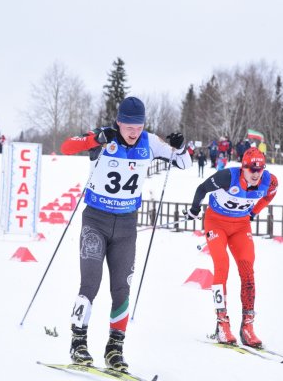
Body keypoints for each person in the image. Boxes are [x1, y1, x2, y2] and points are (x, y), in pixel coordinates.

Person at [60, 96, 192, 372]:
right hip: (95, 221)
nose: (134, 131)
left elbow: (184, 164)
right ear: (118, 121)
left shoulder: (150, 142)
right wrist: (94, 139)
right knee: (90, 284)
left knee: (121, 290)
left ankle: (114, 349)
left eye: (139, 126)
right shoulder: (104, 137)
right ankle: (78, 343)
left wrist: (181, 147)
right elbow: (66, 147)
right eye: (128, 125)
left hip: (126, 227)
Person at [184, 147, 278, 348]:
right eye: (251, 169)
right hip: (216, 223)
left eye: (259, 169)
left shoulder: (269, 180)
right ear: (242, 167)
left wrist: (253, 212)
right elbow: (202, 188)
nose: (255, 173)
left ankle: (247, 326)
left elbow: (270, 195)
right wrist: (193, 210)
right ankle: (222, 323)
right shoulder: (227, 176)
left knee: (247, 270)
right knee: (222, 265)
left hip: (241, 226)